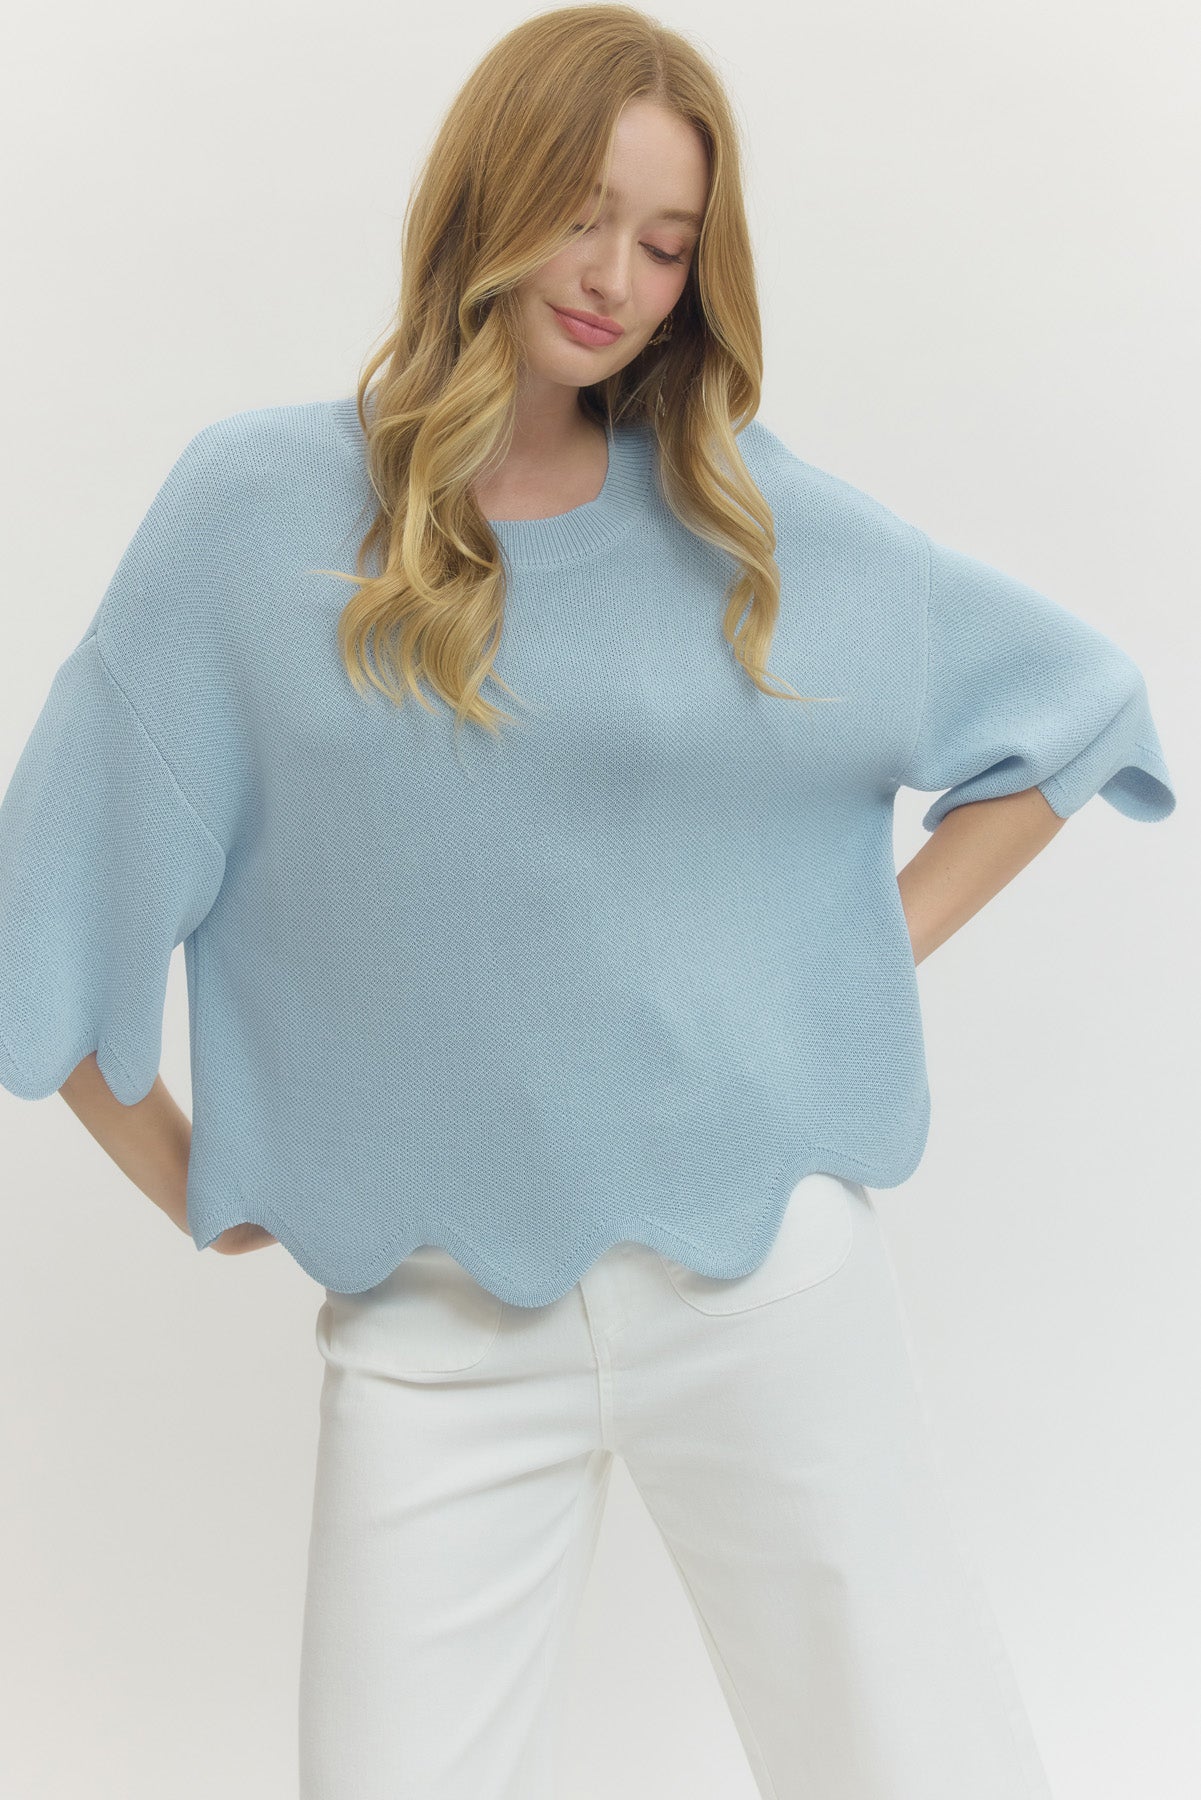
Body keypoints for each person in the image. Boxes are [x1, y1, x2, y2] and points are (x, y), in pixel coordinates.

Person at [0, 7, 1177, 1798]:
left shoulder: (733, 515)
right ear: (488, 195)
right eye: (582, 212)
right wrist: (191, 1179)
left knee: (918, 1763)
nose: (617, 277)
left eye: (668, 241)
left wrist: (839, 959)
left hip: (761, 1278)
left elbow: (1070, 712)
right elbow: (49, 878)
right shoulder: (252, 514)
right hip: (433, 1332)